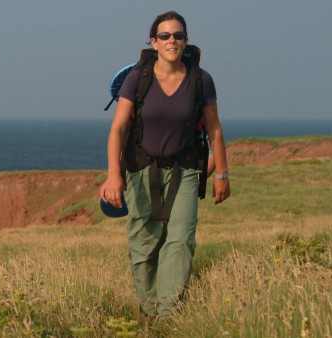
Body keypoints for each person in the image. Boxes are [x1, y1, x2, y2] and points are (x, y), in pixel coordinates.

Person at [99, 11, 231, 318]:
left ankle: (167, 314)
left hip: (185, 170)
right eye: (165, 36)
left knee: (180, 240)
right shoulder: (137, 79)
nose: (172, 40)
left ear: (186, 41)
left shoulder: (201, 79)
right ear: (153, 42)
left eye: (178, 35)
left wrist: (222, 173)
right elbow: (118, 129)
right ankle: (150, 310)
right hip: (141, 169)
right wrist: (113, 175)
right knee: (144, 245)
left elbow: (215, 130)